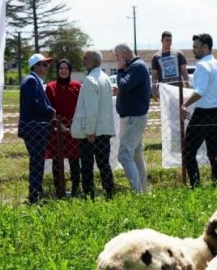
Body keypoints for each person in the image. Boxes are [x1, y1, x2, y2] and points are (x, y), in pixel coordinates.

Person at [179, 33, 217, 188]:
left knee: (188, 152)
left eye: (196, 47)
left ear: (205, 47)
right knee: (214, 152)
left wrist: (185, 105)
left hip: (203, 114)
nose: (193, 50)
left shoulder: (202, 65)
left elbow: (200, 91)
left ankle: (196, 186)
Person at [71, 49, 116, 199]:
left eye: (86, 58)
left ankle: (89, 196)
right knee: (104, 165)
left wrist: (89, 132)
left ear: (95, 61)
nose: (83, 60)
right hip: (105, 129)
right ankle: (109, 194)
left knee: (87, 166)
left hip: (93, 132)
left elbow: (92, 110)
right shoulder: (105, 78)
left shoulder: (90, 80)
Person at [18, 53, 55, 204]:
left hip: (36, 128)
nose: (47, 67)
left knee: (37, 161)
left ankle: (36, 192)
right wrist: (50, 111)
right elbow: (35, 103)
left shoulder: (34, 80)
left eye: (47, 64)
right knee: (37, 162)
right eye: (44, 64)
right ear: (36, 66)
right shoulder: (31, 81)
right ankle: (35, 196)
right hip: (34, 128)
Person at [114, 43, 150, 193]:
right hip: (133, 118)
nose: (117, 60)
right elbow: (127, 87)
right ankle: (142, 190)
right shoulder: (137, 67)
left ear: (123, 53)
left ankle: (138, 193)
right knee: (136, 156)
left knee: (124, 156)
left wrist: (121, 69)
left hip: (133, 119)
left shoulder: (136, 67)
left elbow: (124, 84)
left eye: (117, 56)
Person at [45, 59, 81, 198]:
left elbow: (80, 108)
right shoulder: (51, 87)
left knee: (74, 161)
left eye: (66, 68)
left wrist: (73, 126)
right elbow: (49, 110)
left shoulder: (77, 86)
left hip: (73, 130)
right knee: (57, 161)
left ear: (70, 70)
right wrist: (58, 125)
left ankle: (76, 189)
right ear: (58, 70)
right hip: (57, 131)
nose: (63, 70)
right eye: (61, 68)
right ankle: (59, 190)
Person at [151, 31, 189, 98]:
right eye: (167, 40)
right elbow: (154, 75)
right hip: (163, 90)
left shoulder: (178, 54)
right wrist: (154, 89)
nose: (169, 42)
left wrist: (187, 85)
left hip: (177, 89)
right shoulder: (156, 57)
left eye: (170, 40)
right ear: (162, 40)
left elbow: (184, 71)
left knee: (179, 107)